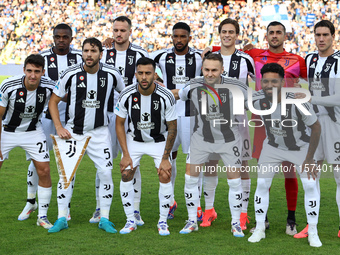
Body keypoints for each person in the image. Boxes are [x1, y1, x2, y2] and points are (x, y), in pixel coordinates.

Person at [206, 21, 307, 234]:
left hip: (289, 121)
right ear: (266, 35)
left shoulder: (297, 60)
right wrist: (208, 50)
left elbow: (312, 83)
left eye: (279, 32)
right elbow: (228, 48)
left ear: (285, 35)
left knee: (290, 172)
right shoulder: (255, 55)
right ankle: (264, 220)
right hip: (262, 120)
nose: (275, 36)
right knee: (264, 171)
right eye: (271, 32)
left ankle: (291, 220)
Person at [47, 37, 125, 233]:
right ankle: (61, 218)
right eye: (86, 51)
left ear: (101, 53)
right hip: (73, 133)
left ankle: (104, 218)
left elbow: (125, 96)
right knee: (66, 177)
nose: (89, 55)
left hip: (100, 133)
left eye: (93, 51)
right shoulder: (70, 74)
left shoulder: (112, 74)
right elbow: (53, 101)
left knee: (106, 173)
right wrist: (58, 127)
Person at [172, 53, 247, 237]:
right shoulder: (194, 84)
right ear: (202, 69)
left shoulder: (237, 87)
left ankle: (236, 223)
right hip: (201, 139)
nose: (210, 74)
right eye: (206, 69)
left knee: (234, 182)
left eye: (214, 70)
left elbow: (253, 104)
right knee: (190, 179)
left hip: (229, 140)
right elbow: (177, 94)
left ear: (222, 70)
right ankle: (191, 221)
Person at [248, 63, 322, 247]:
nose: (269, 85)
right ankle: (259, 228)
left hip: (300, 148)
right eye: (265, 81)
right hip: (272, 146)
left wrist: (310, 158)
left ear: (282, 82)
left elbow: (316, 127)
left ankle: (313, 231)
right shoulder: (256, 98)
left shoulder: (297, 100)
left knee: (310, 185)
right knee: (263, 183)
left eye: (274, 81)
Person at [18, 23, 82, 222]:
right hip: (44, 119)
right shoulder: (42, 57)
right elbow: (29, 81)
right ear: (53, 37)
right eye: (58, 36)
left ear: (71, 39)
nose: (61, 40)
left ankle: (66, 206)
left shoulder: (80, 57)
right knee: (37, 161)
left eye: (65, 37)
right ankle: (31, 201)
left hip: (71, 120)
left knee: (67, 164)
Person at [199, 18, 255, 229]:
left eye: (231, 32)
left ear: (237, 35)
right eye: (224, 31)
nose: (227, 35)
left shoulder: (245, 59)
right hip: (212, 118)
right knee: (210, 162)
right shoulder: (209, 57)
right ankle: (209, 210)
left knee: (242, 164)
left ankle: (242, 213)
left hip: (238, 119)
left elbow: (257, 83)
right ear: (219, 33)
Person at [115, 57, 177, 236]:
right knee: (126, 172)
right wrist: (125, 153)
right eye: (140, 73)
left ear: (154, 75)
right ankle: (130, 220)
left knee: (166, 174)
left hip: (159, 140)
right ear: (135, 74)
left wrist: (166, 158)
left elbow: (172, 127)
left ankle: (163, 221)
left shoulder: (166, 96)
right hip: (134, 141)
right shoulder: (126, 94)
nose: (144, 77)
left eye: (148, 73)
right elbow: (119, 124)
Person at [151, 22, 203, 220]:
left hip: (192, 115)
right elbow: (142, 62)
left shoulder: (199, 57)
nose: (179, 40)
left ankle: (196, 205)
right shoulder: (162, 56)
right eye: (175, 36)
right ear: (171, 37)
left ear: (189, 37)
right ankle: (170, 201)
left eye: (183, 36)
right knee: (168, 159)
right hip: (169, 116)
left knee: (194, 161)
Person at [100, 16, 149, 226]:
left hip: (131, 117)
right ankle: (99, 207)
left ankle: (135, 210)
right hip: (105, 115)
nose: (118, 34)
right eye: (115, 30)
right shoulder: (103, 53)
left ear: (130, 32)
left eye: (122, 30)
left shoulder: (139, 54)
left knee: (132, 163)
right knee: (103, 163)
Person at [295, 20, 340, 239]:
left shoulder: (339, 61)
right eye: (317, 35)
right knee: (311, 174)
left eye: (325, 35)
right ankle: (311, 224)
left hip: (335, 124)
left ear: (333, 36)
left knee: (339, 176)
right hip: (312, 124)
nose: (321, 39)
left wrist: (313, 98)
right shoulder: (310, 59)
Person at [0, 54, 55, 229]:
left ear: (43, 72)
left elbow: (68, 96)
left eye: (37, 72)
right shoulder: (9, 85)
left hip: (33, 131)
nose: (33, 75)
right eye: (29, 71)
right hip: (7, 131)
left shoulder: (49, 86)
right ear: (23, 70)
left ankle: (43, 216)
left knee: (44, 170)